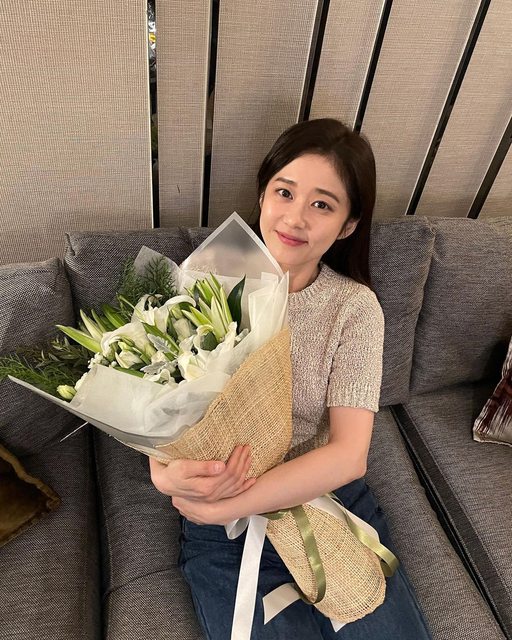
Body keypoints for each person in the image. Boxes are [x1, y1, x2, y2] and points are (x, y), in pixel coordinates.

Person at [149, 118, 433, 639]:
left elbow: (348, 455)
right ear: (262, 195)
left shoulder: (354, 309)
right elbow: (160, 407)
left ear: (347, 225)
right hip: (226, 527)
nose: (295, 217)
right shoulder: (206, 281)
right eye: (285, 192)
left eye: (322, 204)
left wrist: (231, 503)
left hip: (322, 500)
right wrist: (165, 477)